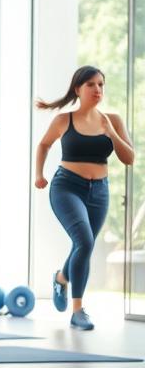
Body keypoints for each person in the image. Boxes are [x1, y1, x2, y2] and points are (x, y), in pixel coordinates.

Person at [34, 65, 135, 331]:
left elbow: (129, 158)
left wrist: (111, 133)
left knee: (84, 245)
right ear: (78, 89)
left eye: (101, 84)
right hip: (66, 187)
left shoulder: (113, 120)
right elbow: (44, 144)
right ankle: (78, 311)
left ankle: (61, 277)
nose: (97, 89)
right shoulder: (63, 120)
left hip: (99, 191)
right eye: (91, 84)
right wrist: (39, 174)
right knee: (85, 241)